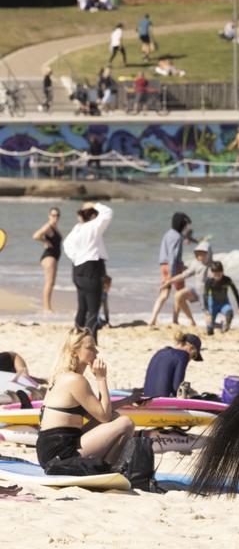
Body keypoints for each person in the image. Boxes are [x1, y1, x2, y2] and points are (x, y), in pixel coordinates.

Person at [36, 330, 134, 471]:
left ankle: (106, 467)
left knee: (115, 417)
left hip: (51, 447)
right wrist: (101, 379)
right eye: (91, 348)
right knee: (126, 423)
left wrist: (128, 400)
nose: (97, 351)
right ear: (74, 352)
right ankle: (108, 469)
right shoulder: (75, 380)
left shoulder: (62, 376)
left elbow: (98, 412)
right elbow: (104, 416)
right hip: (59, 453)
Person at [62, 202, 112, 334]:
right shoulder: (93, 226)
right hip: (91, 269)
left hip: (78, 269)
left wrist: (77, 257)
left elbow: (66, 245)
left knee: (82, 308)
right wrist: (94, 203)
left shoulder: (77, 228)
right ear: (93, 215)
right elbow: (107, 212)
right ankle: (91, 341)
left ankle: (77, 336)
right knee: (93, 310)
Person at [149, 213, 196, 328]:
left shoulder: (168, 234)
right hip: (173, 266)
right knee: (180, 294)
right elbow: (173, 256)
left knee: (164, 294)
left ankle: (153, 319)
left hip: (163, 265)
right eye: (185, 224)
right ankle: (178, 320)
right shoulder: (177, 236)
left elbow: (167, 254)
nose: (186, 227)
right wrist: (174, 271)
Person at [142, 331, 203, 397]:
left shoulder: (160, 352)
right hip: (163, 401)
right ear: (190, 348)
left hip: (147, 398)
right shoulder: (183, 355)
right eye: (193, 356)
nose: (190, 360)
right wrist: (191, 392)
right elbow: (177, 387)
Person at [32, 206, 61, 314]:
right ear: (49, 216)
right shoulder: (48, 226)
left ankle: (47, 307)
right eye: (53, 215)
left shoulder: (54, 227)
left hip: (53, 257)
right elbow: (35, 235)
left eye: (57, 215)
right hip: (49, 257)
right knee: (49, 283)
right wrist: (44, 240)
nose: (55, 217)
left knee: (51, 283)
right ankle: (47, 308)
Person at [204, 261, 239, 334]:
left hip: (224, 303)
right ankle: (220, 325)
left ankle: (225, 326)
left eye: (219, 273)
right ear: (212, 273)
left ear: (222, 272)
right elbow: (205, 296)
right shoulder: (209, 281)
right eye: (215, 274)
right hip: (213, 304)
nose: (217, 276)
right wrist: (207, 312)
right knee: (209, 331)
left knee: (229, 313)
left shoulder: (227, 280)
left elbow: (235, 293)